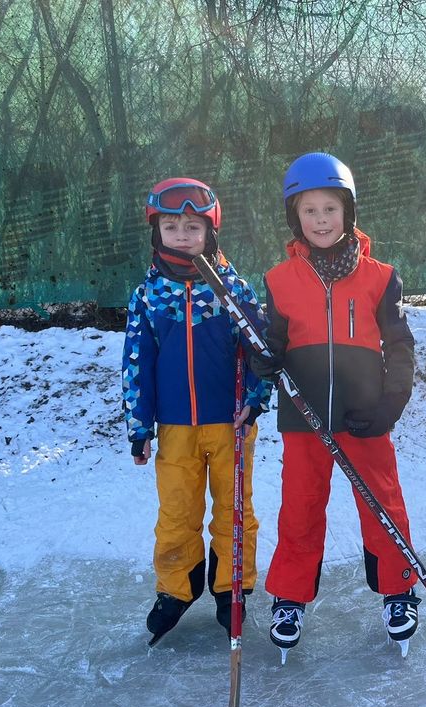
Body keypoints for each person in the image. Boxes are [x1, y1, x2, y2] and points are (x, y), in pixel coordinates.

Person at [248, 152, 419, 662]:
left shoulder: (380, 277)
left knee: (382, 504)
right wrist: (264, 358)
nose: (321, 220)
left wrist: (392, 401)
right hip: (303, 420)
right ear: (294, 218)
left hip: (364, 417)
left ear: (348, 212)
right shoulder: (279, 280)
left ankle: (398, 591)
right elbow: (272, 345)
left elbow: (400, 344)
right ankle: (290, 598)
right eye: (309, 211)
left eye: (330, 209)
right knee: (299, 508)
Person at [122, 177, 272, 645]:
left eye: (192, 226)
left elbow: (259, 349)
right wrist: (138, 423)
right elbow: (136, 359)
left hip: (229, 423)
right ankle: (177, 587)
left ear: (210, 232)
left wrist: (254, 397)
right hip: (174, 427)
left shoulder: (230, 288)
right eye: (172, 226)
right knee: (177, 511)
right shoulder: (148, 296)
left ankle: (233, 589)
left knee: (234, 510)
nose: (182, 235)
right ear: (157, 232)